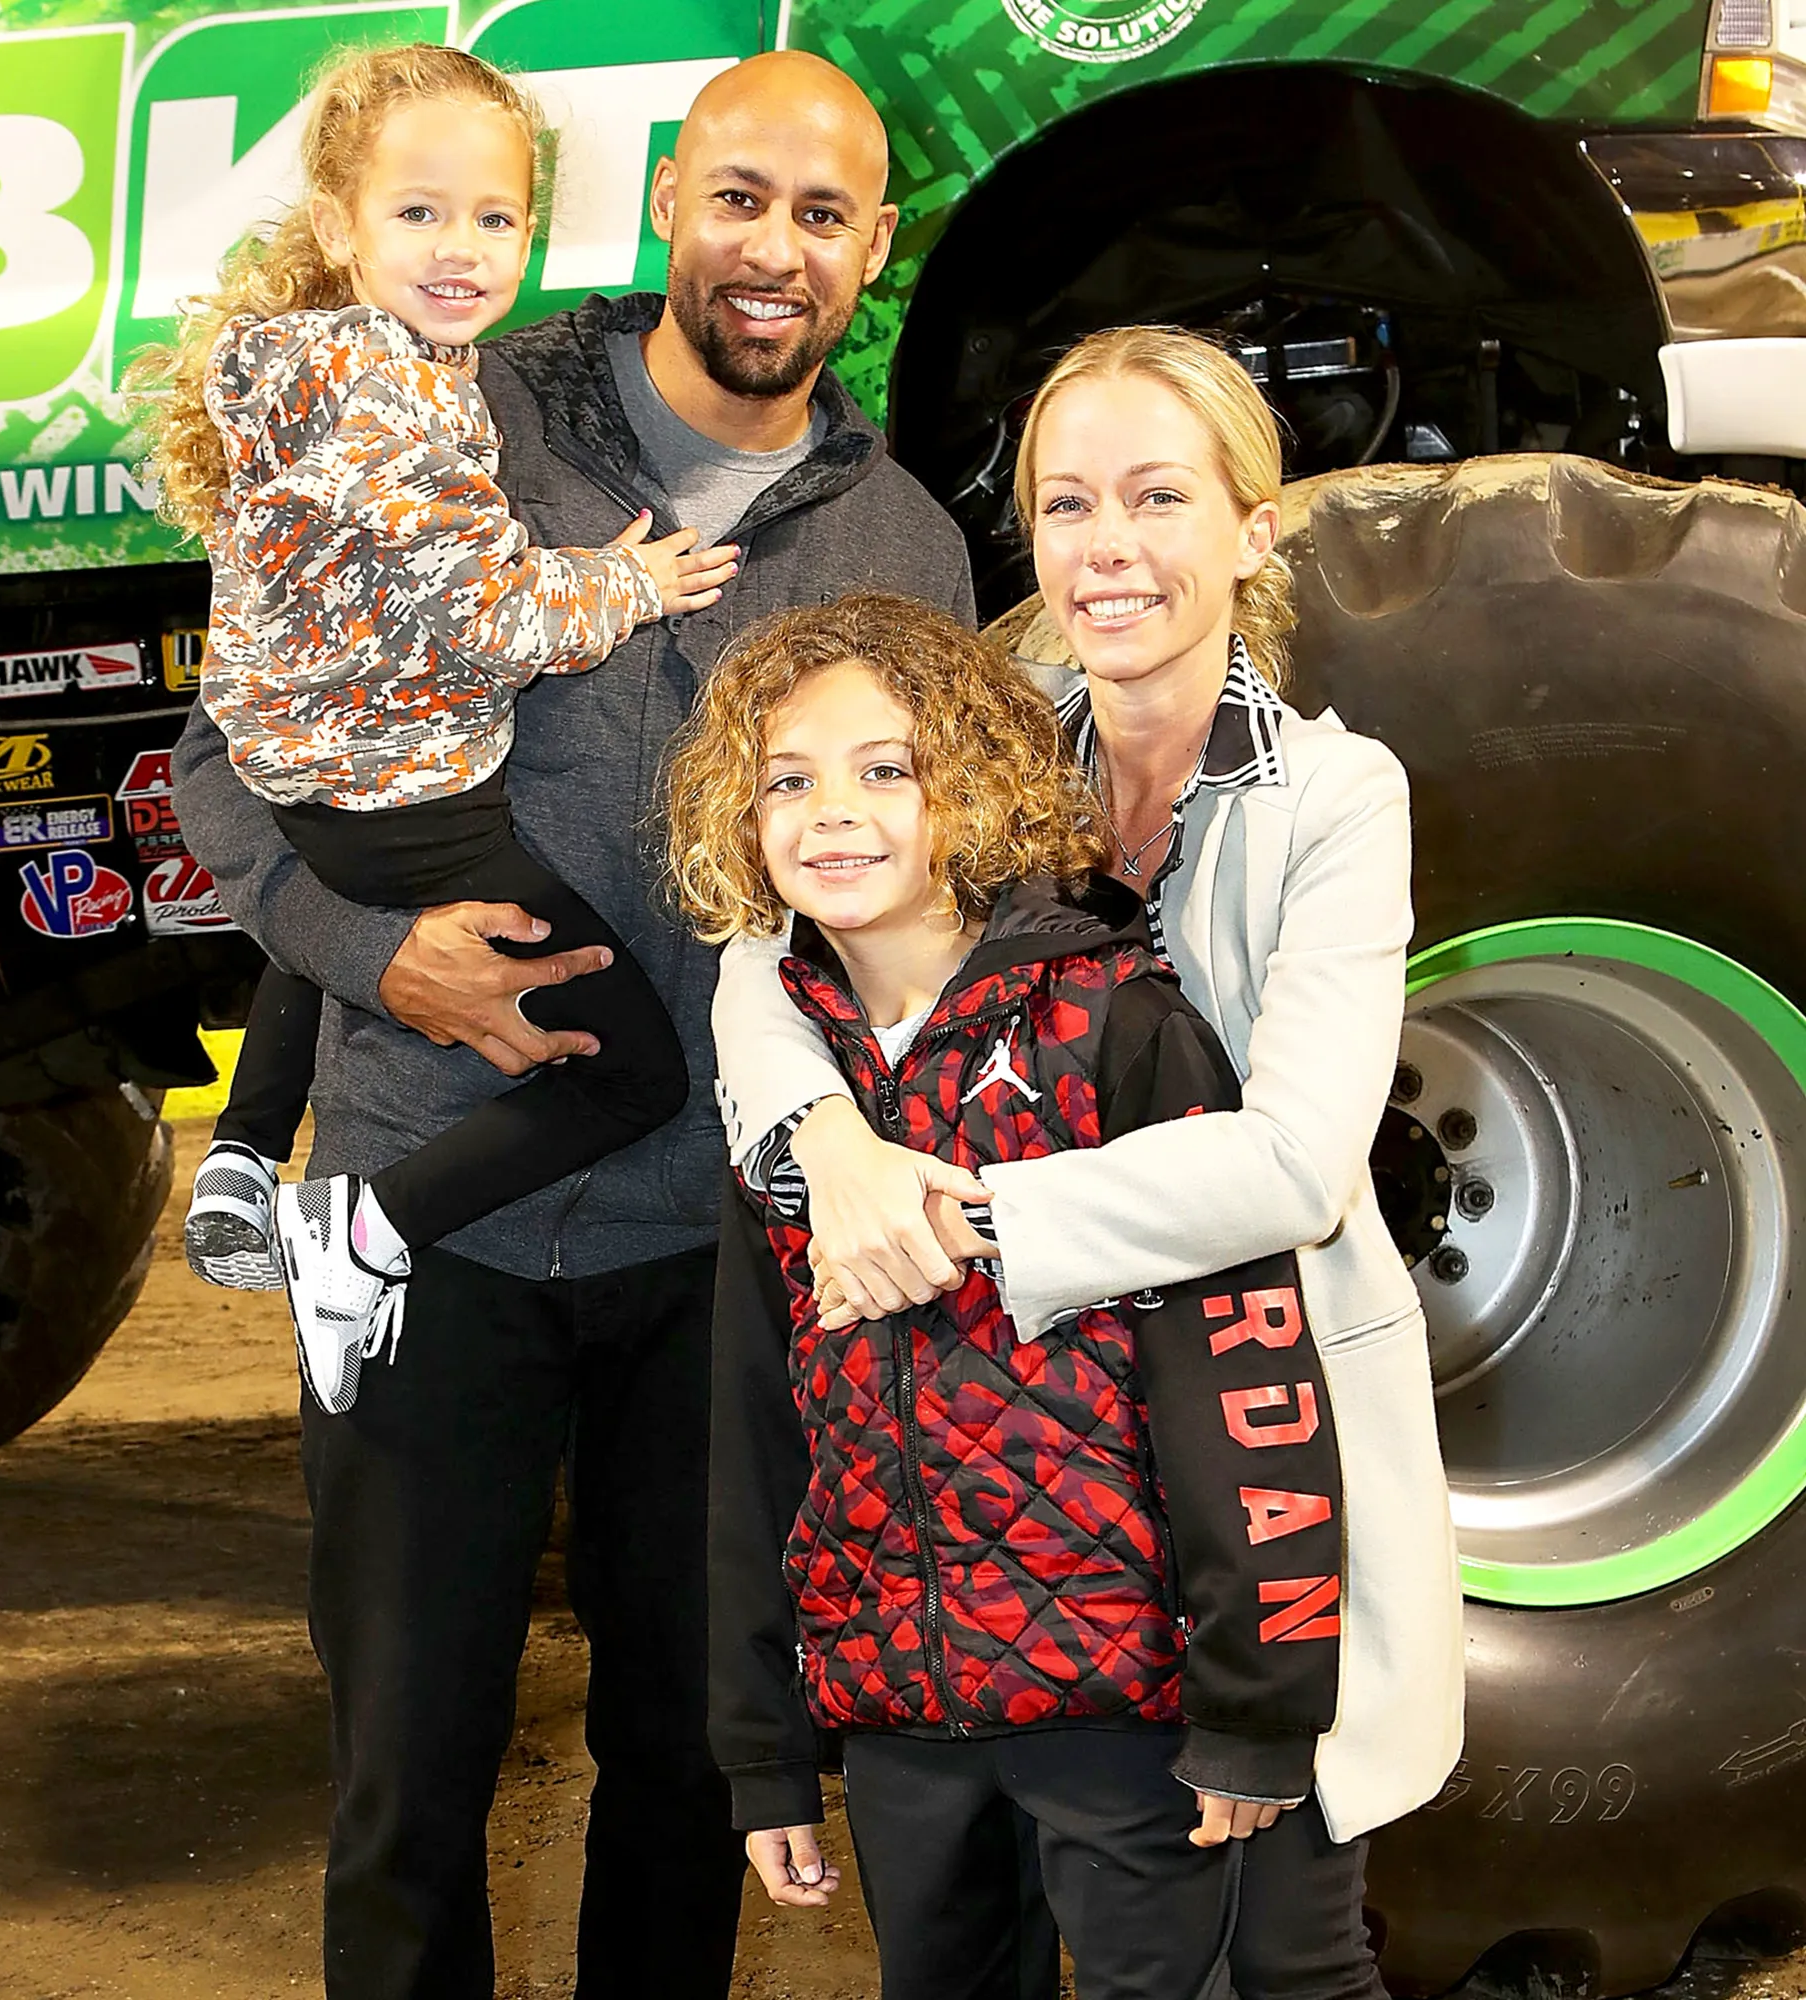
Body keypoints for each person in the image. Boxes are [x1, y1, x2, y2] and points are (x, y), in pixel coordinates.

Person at [167, 48, 977, 2000]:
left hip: (718, 1260)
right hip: (423, 1223)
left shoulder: (908, 555)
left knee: (688, 1772)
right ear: (669, 205)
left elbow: (940, 912)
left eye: (819, 213)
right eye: (736, 195)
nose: (771, 248)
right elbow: (226, 766)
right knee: (407, 1778)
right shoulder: (447, 412)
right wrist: (380, 962)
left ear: (870, 248)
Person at [710, 329, 1465, 1994]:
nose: (1107, 546)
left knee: (1290, 1942)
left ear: (1254, 527)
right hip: (1042, 1479)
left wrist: (949, 1213)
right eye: (1066, 505)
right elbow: (766, 951)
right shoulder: (988, 744)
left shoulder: (1334, 797)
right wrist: (827, 1141)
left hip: (1255, 1446)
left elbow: (1292, 1167)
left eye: (1158, 497)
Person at [668, 593, 1354, 2000]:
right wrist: (764, 1750)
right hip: (904, 1721)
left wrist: (1255, 1710)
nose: (831, 814)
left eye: (885, 770)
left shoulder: (1118, 1026)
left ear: (973, 788)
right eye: (786, 781)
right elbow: (753, 1434)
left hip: (1131, 1716)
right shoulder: (785, 1106)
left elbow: (1244, 1388)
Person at [132, 45, 737, 1411]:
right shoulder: (395, 392)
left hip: (329, 781)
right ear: (342, 225)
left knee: (347, 886)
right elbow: (500, 616)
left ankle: (243, 1145)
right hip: (407, 797)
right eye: (419, 214)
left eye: (495, 218)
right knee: (635, 1070)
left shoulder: (315, 362)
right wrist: (632, 582)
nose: (461, 248)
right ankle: (362, 1228)